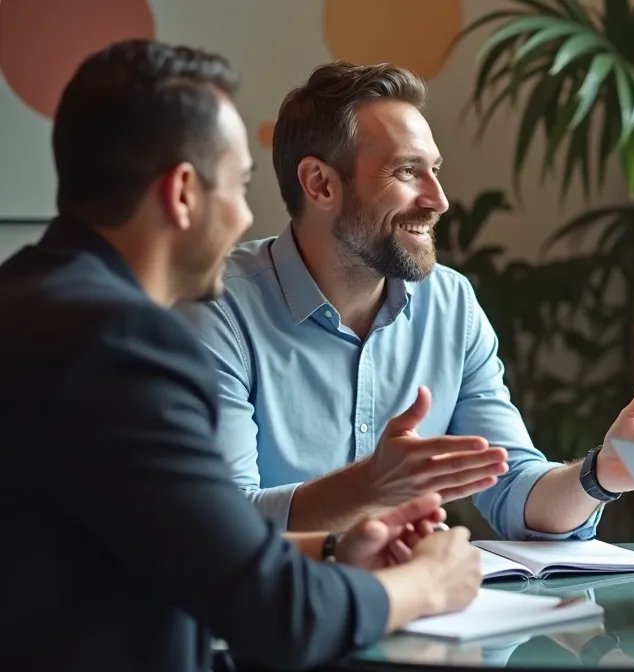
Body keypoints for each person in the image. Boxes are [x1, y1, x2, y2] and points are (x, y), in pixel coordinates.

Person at [0, 39, 483, 672]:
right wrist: (427, 584)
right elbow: (276, 615)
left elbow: (173, 542)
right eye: (240, 184)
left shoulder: (27, 298)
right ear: (182, 194)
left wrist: (333, 553)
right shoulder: (119, 346)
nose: (244, 215)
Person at [175, 61, 634, 535]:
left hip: (412, 624)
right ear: (321, 184)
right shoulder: (217, 307)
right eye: (407, 172)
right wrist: (368, 489)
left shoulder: (451, 305)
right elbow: (217, 523)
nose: (439, 200)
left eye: (434, 171)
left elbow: (512, 488)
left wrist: (603, 472)